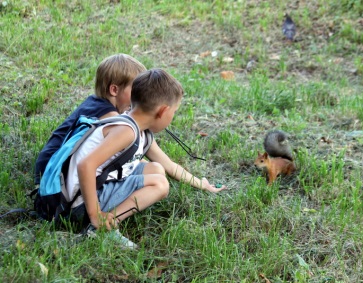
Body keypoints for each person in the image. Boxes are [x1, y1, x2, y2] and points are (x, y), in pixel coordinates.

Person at [68, 69, 226, 247]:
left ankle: (105, 218)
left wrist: (202, 184)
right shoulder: (126, 131)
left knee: (157, 169)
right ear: (163, 111)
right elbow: (85, 165)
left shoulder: (138, 129)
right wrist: (95, 213)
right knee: (160, 184)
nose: (172, 117)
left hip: (94, 186)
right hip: (79, 202)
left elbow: (169, 166)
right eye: (174, 112)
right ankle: (102, 227)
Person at [34, 53, 146, 186]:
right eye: (136, 90)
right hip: (54, 174)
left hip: (46, 165)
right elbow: (126, 156)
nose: (139, 97)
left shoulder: (94, 102)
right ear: (114, 90)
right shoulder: (111, 117)